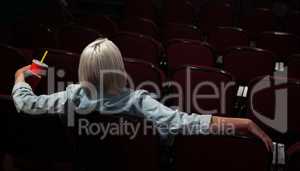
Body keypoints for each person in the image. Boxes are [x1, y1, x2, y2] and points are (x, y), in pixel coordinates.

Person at [12, 38, 273, 151]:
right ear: (119, 66)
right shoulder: (139, 101)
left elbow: (26, 104)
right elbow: (187, 124)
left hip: (95, 166)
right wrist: (244, 122)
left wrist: (20, 77)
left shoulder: (73, 95)